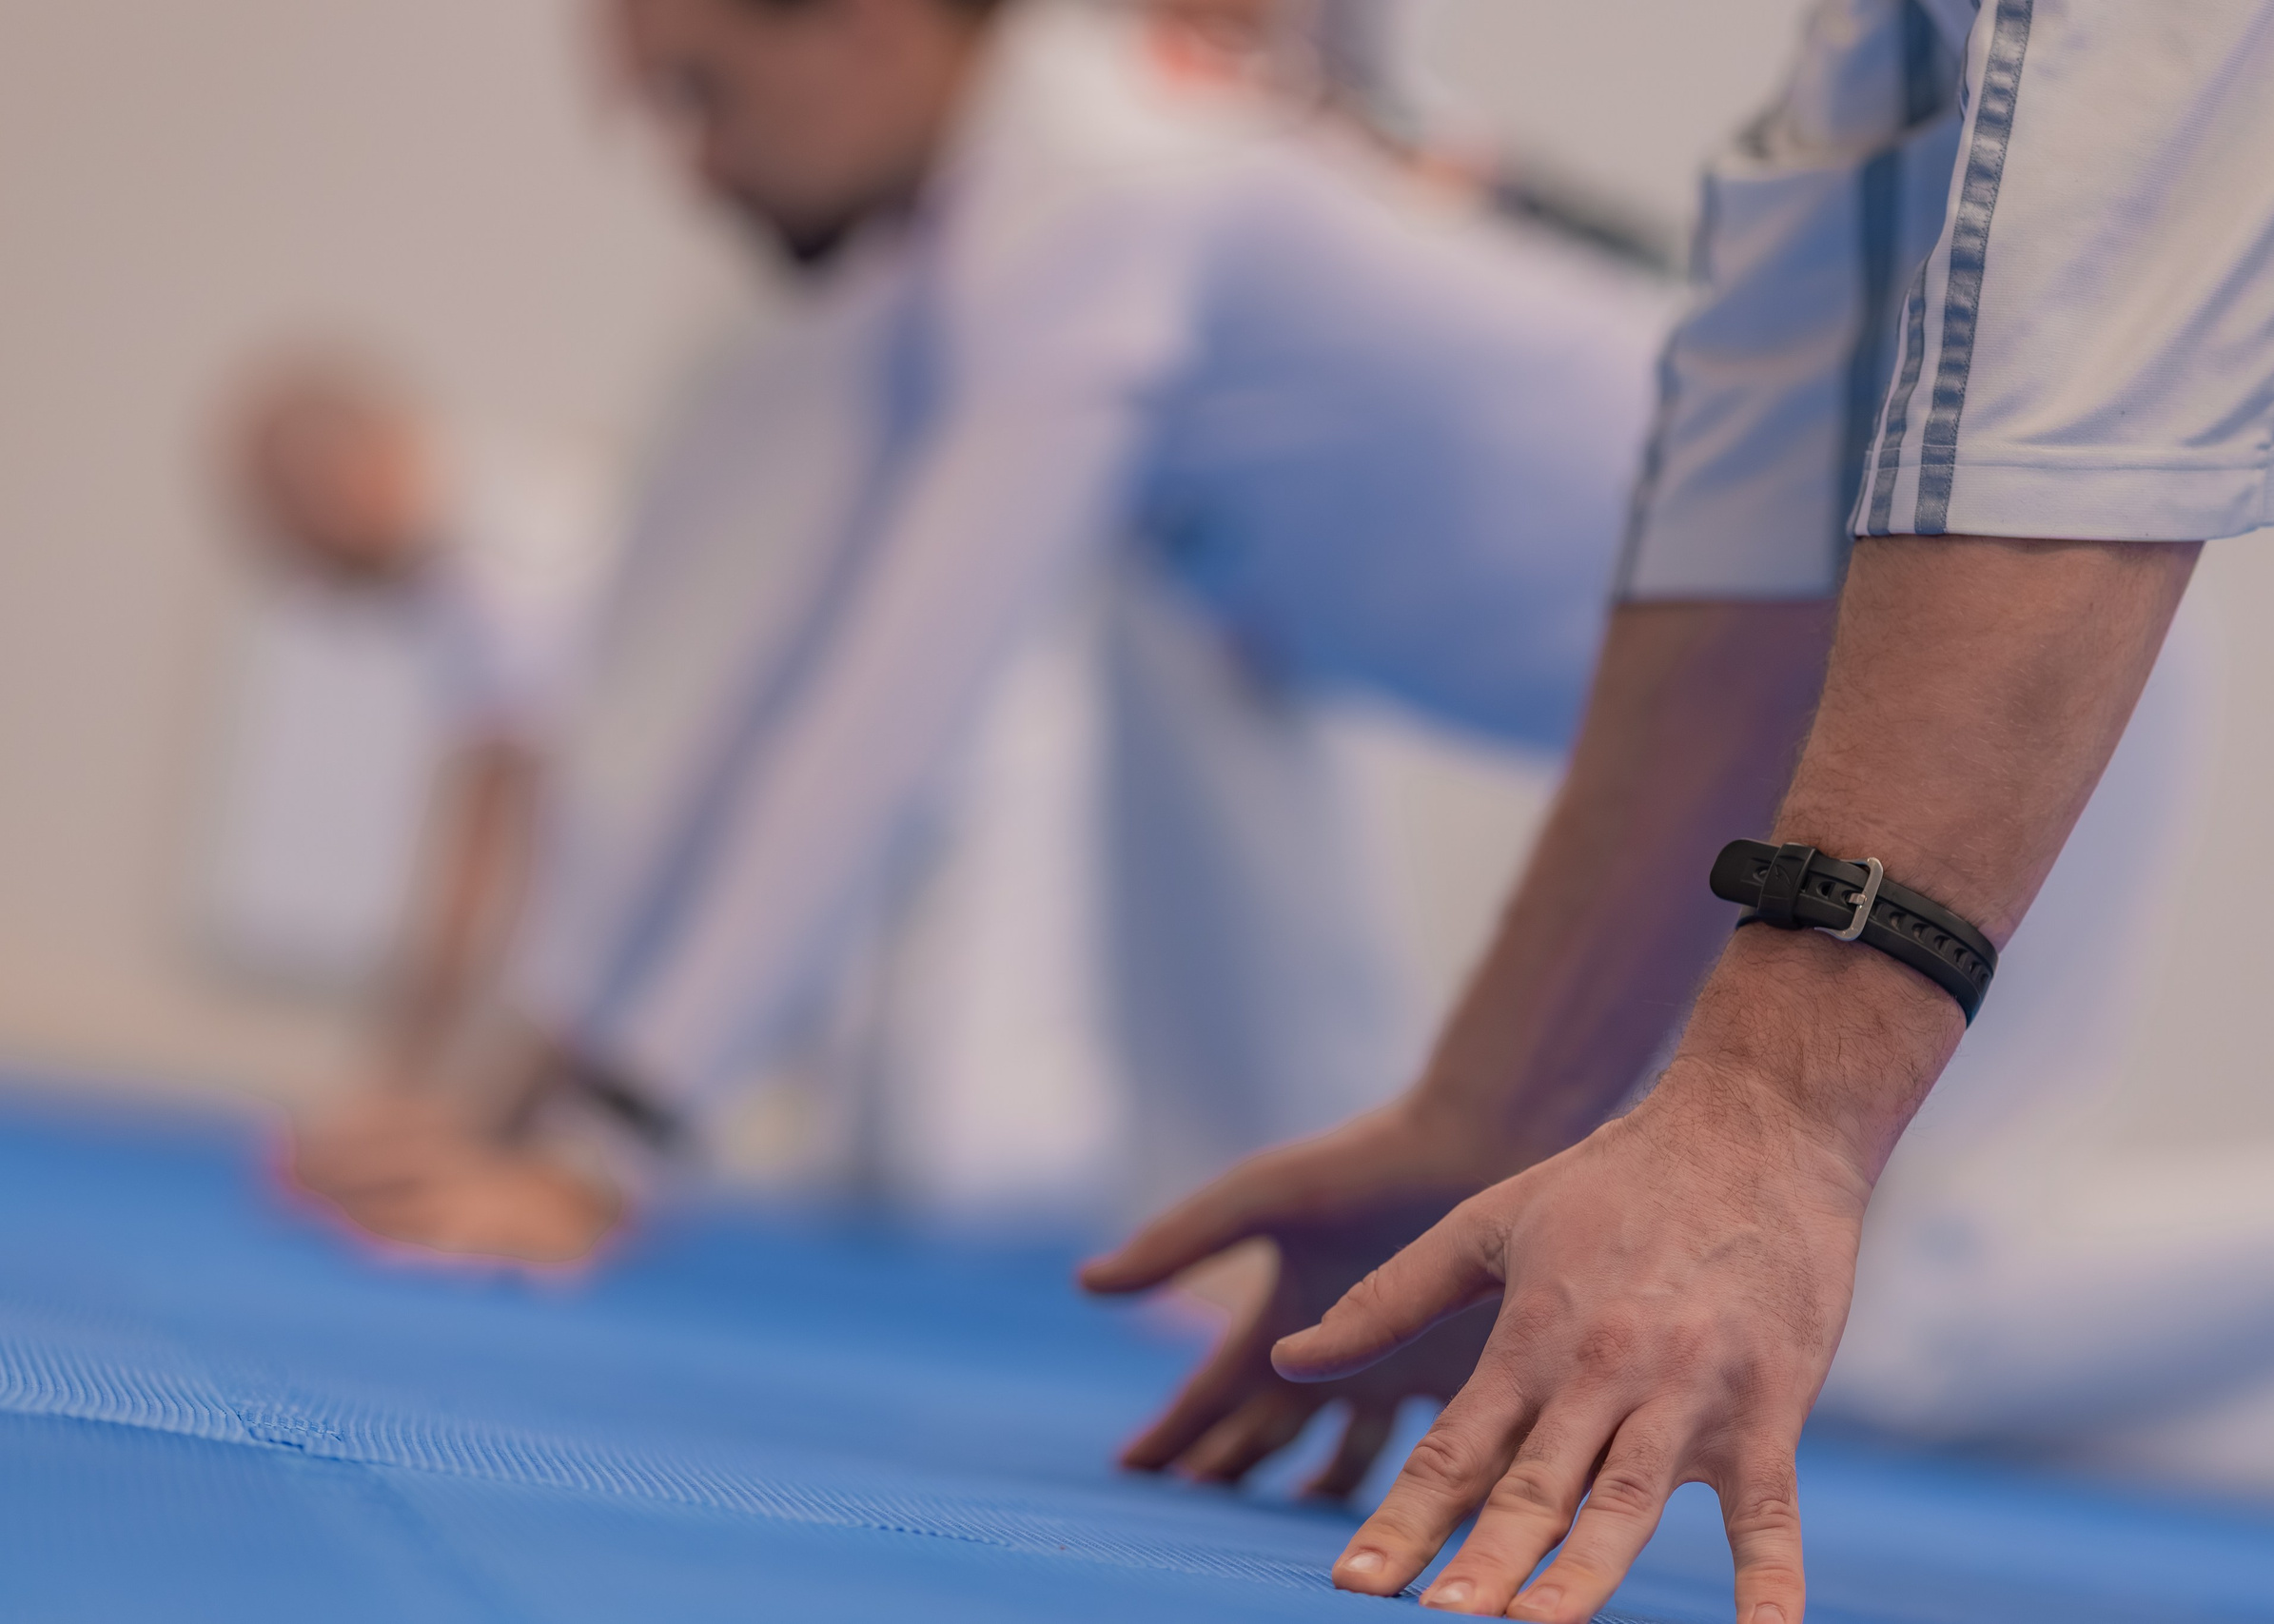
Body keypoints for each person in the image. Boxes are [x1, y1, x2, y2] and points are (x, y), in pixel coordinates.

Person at [1079, 3, 2274, 1621]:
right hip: (1983, 644)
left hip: (2031, 658)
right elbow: (1797, 429)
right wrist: (1509, 1100)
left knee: (1878, 1290)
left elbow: (2093, 398)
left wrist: (1770, 1112)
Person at [285, 0, 1675, 1257]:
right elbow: (750, 677)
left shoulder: (1094, 182)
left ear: (874, 31)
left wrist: (605, 1157)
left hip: (1803, 628)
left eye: (702, 95)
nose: (692, 167)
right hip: (1668, 660)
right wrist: (524, 1103)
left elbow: (881, 720)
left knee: (1868, 1354)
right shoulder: (994, 211)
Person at [214, 361, 607, 1090]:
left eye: (297, 507)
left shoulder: (498, 571)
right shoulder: (502, 509)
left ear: (365, 461)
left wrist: (392, 1086)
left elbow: (484, 864)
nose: (298, 549)